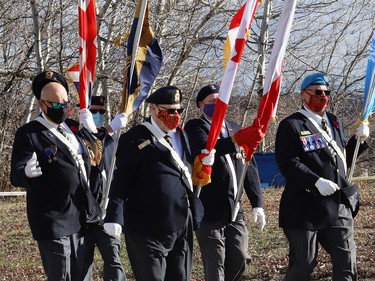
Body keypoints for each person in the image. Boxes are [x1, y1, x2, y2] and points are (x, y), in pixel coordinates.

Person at [104, 86, 209, 281]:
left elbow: (182, 172)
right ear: (154, 109)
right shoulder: (135, 138)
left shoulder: (181, 135)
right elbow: (122, 179)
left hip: (180, 224)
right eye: (169, 111)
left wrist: (203, 162)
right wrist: (114, 216)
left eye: (178, 110)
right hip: (147, 227)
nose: (175, 115)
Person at [275, 72, 370, 280]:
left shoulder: (335, 122)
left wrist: (359, 141)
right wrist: (315, 181)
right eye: (318, 92)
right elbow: (288, 163)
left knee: (347, 265)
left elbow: (339, 158)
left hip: (337, 205)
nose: (323, 96)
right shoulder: (291, 125)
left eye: (327, 92)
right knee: (304, 265)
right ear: (304, 94)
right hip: (304, 208)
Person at [10, 70, 102, 281]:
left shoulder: (72, 128)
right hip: (54, 219)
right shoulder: (30, 133)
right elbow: (16, 173)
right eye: (57, 105)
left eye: (66, 103)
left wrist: (94, 132)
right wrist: (25, 172)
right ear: (42, 105)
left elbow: (97, 158)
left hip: (82, 215)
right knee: (61, 275)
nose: (64, 109)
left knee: (83, 275)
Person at [184, 84, 266, 281]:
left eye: (220, 101)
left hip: (234, 207)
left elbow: (249, 167)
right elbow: (205, 147)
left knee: (240, 257)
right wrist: (237, 139)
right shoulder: (196, 126)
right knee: (215, 261)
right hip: (208, 208)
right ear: (200, 105)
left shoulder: (234, 127)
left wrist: (257, 204)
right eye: (212, 102)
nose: (217, 104)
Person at [77, 95, 127, 280]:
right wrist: (105, 131)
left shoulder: (113, 141)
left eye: (101, 112)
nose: (98, 115)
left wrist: (111, 131)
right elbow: (93, 162)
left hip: (106, 212)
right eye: (93, 111)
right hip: (84, 215)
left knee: (114, 262)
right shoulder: (76, 138)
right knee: (81, 266)